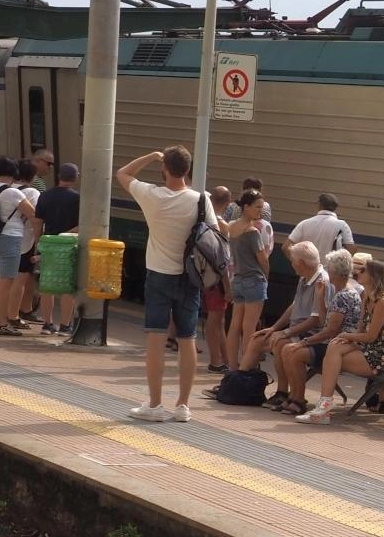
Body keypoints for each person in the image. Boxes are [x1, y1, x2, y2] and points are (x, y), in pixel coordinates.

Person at [115, 147, 216, 422]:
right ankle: (182, 406)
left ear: (165, 170)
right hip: (189, 278)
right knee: (187, 340)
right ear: (187, 170)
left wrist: (150, 156)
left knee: (156, 340)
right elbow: (213, 235)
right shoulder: (201, 200)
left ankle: (156, 405)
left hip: (159, 275)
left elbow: (122, 174)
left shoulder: (152, 195)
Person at [296, 259, 384, 425]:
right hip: (369, 348)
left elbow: (371, 336)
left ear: (374, 276)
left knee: (332, 356)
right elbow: (360, 331)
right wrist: (346, 338)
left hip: (382, 355)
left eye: (363, 271)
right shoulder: (367, 297)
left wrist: (346, 336)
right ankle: (324, 406)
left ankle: (324, 407)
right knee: (334, 346)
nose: (357, 273)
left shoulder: (383, 303)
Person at [243, 241, 331, 410]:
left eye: (293, 261)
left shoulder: (322, 281)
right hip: (297, 330)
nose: (291, 264)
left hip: (311, 335)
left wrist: (286, 332)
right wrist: (275, 328)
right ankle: (240, 383)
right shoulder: (304, 277)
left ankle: (288, 394)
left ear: (302, 263)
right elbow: (294, 306)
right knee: (257, 339)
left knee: (281, 343)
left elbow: (316, 320)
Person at [277, 249, 362, 415]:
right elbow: (326, 322)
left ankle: (298, 399)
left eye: (329, 267)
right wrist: (322, 297)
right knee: (288, 349)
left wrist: (303, 342)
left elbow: (330, 331)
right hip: (332, 343)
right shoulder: (340, 292)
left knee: (294, 352)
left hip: (334, 345)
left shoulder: (344, 295)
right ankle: (294, 396)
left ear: (334, 271)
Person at [0, 157, 36, 336]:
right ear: (13, 173)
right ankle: (3, 323)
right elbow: (33, 213)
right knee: (5, 283)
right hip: (10, 239)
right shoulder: (14, 193)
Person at [225, 189, 270, 371]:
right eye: (257, 207)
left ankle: (232, 366)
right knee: (249, 328)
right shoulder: (252, 232)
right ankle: (246, 367)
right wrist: (266, 277)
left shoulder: (232, 227)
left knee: (235, 325)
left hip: (238, 279)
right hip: (253, 279)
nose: (261, 211)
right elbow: (263, 259)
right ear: (246, 207)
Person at [35, 163, 81, 335]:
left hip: (48, 244)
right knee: (69, 286)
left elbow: (38, 222)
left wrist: (38, 244)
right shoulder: (77, 198)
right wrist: (66, 234)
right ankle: (65, 325)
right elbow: (80, 225)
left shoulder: (45, 196)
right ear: (75, 177)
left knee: (47, 284)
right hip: (70, 245)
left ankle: (47, 324)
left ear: (59, 176)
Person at [202, 186, 233, 371]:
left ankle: (223, 359)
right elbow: (222, 258)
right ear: (228, 203)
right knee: (215, 321)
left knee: (217, 321)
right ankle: (216, 360)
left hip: (206, 276)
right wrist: (227, 286)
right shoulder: (221, 225)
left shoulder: (204, 220)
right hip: (218, 279)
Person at [12, 160, 43, 326]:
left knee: (0, 278)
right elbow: (36, 219)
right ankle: (17, 313)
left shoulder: (7, 189)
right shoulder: (32, 193)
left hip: (3, 238)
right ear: (32, 177)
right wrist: (39, 242)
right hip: (25, 241)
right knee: (22, 277)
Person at [285, 193, 355, 259]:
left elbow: (286, 247)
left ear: (319, 205)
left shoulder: (304, 223)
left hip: (308, 269)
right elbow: (351, 249)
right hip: (331, 270)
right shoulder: (342, 226)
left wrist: (298, 263)